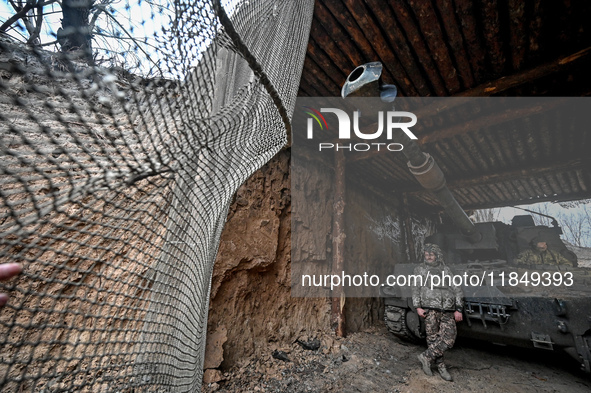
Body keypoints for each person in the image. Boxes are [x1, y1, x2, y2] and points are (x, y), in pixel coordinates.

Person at [411, 243, 463, 381]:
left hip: (447, 309)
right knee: (433, 339)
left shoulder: (446, 270)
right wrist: (418, 307)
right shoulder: (420, 269)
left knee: (449, 337)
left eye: (431, 254)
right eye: (426, 254)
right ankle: (441, 367)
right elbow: (415, 288)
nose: (428, 257)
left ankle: (426, 357)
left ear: (437, 255)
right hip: (429, 309)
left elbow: (457, 289)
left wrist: (459, 309)